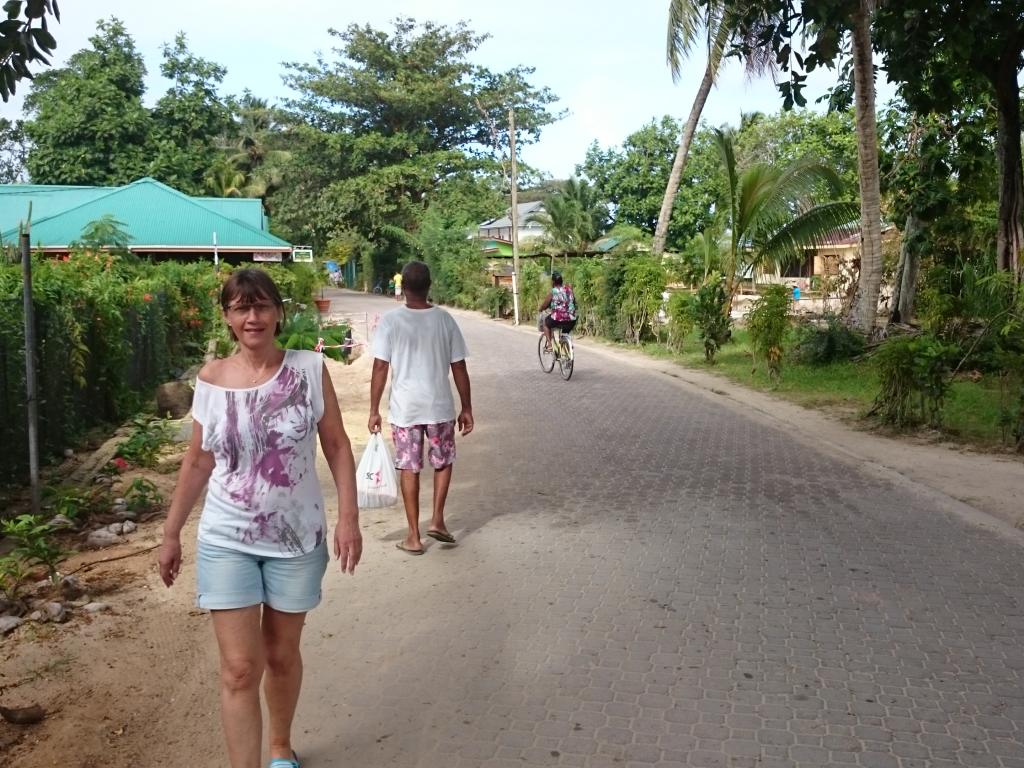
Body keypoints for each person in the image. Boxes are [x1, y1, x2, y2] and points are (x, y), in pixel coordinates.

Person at [158, 268, 362, 768]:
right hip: (226, 536)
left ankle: (279, 747)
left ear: (278, 312)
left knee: (280, 655)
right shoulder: (209, 379)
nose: (253, 317)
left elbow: (335, 445)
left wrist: (349, 517)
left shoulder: (310, 370)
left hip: (296, 538)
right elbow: (199, 460)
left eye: (262, 306)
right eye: (241, 308)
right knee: (239, 668)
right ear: (228, 318)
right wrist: (170, 533)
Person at [369, 261, 473, 555]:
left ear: (403, 289)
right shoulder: (444, 320)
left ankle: (414, 536)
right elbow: (459, 366)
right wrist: (466, 407)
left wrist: (374, 409)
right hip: (439, 406)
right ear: (429, 286)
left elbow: (379, 366)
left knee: (409, 468)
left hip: (405, 411)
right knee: (443, 461)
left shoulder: (390, 321)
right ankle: (437, 520)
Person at [538, 271, 577, 352]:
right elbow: (573, 302)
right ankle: (565, 347)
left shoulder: (553, 291)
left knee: (546, 323)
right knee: (564, 333)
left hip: (558, 319)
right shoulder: (569, 290)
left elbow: (545, 305)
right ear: (562, 281)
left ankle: (549, 346)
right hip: (571, 319)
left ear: (553, 282)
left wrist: (541, 309)